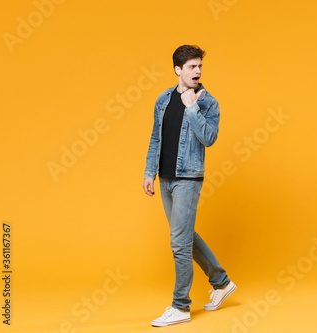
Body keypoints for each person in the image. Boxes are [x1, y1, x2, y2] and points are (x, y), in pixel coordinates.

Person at [142, 45, 236, 327]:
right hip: (166, 177)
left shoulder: (208, 102)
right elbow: (156, 138)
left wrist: (192, 107)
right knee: (184, 236)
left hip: (188, 178)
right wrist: (149, 172)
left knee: (179, 243)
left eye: (200, 67)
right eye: (192, 67)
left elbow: (209, 138)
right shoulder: (162, 99)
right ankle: (221, 282)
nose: (198, 71)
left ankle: (181, 306)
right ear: (178, 70)